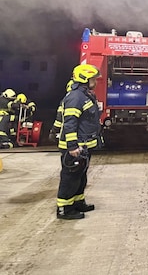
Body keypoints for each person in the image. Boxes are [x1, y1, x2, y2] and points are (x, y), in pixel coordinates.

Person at [56, 64, 102, 220]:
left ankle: (77, 202)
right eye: (93, 79)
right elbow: (70, 123)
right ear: (85, 79)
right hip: (75, 148)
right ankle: (64, 209)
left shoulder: (85, 96)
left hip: (84, 146)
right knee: (70, 178)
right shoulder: (76, 97)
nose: (95, 82)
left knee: (80, 177)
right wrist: (72, 146)